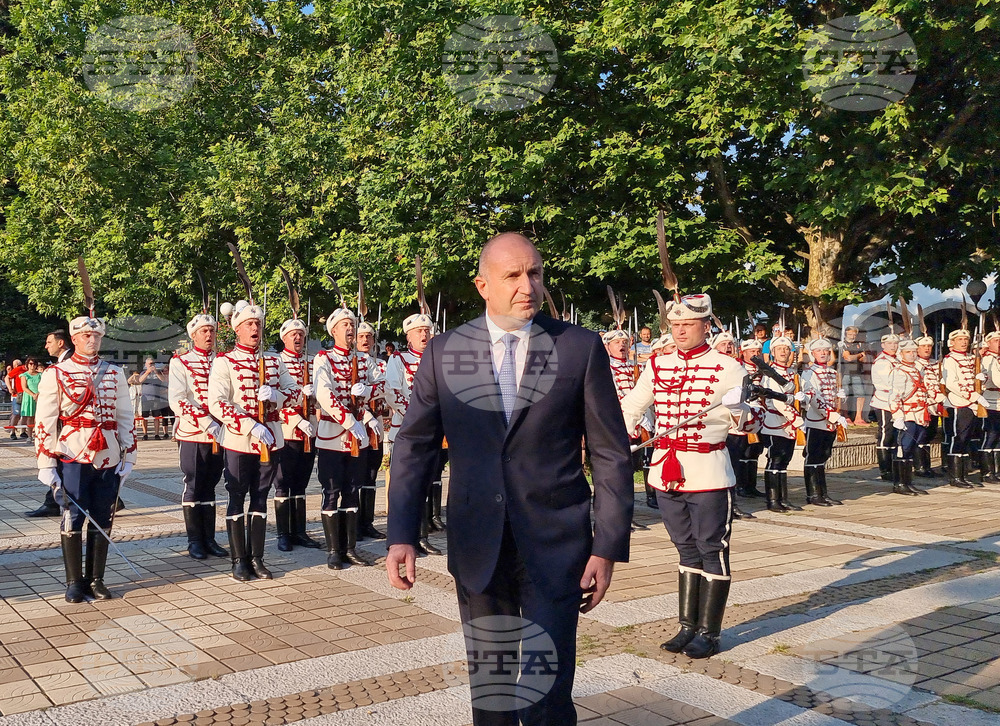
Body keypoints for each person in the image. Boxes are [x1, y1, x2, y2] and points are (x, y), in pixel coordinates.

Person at [386, 234, 633, 726]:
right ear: (483, 285)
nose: (528, 286)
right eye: (513, 276)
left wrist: (606, 546)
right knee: (494, 690)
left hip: (556, 544)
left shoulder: (578, 348)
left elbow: (610, 453)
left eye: (535, 273)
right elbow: (414, 446)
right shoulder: (445, 352)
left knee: (547, 691)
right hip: (479, 543)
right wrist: (401, 535)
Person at [622, 293, 757, 659]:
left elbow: (751, 422)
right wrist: (615, 438)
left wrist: (738, 409)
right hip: (666, 470)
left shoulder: (728, 367)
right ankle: (687, 626)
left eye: (688, 325)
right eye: (675, 325)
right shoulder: (659, 363)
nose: (680, 331)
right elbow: (633, 404)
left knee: (712, 549)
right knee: (685, 549)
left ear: (706, 325)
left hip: (708, 472)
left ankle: (710, 633)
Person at [34, 316, 136, 602]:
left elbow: (125, 417)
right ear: (74, 339)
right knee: (73, 515)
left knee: (104, 516)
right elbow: (45, 420)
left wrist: (130, 455)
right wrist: (45, 462)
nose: (92, 341)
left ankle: (97, 579)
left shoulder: (114, 373)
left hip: (108, 455)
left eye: (97, 336)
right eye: (86, 336)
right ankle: (73, 582)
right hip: (72, 453)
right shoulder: (57, 373)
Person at [208, 300, 299, 581]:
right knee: (237, 496)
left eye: (258, 323)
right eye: (249, 324)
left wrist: (276, 397)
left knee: (260, 496)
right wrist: (249, 425)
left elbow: (294, 391)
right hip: (239, 441)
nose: (254, 328)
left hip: (270, 438)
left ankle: (257, 558)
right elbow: (217, 403)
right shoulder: (225, 362)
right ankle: (238, 560)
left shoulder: (274, 360)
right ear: (237, 329)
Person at [313, 306, 380, 569]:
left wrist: (369, 391)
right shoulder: (324, 358)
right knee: (332, 491)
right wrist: (349, 420)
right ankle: (333, 550)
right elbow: (324, 393)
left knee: (353, 491)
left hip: (358, 437)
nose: (350, 329)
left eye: (352, 324)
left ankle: (350, 548)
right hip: (332, 435)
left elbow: (384, 384)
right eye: (344, 325)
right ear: (333, 331)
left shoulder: (364, 360)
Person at [168, 312, 228, 560]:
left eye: (212, 331)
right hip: (194, 433)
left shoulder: (224, 360)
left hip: (222, 432)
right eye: (204, 331)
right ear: (193, 335)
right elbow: (178, 399)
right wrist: (205, 421)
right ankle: (194, 540)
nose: (209, 335)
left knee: (211, 486)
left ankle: (209, 539)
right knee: (193, 484)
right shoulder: (181, 362)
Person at [385, 312, 438, 553]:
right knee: (408, 485)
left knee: (429, 481)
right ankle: (406, 537)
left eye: (427, 330)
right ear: (408, 336)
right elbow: (393, 392)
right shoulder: (399, 359)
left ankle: (423, 534)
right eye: (419, 331)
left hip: (434, 431)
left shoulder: (437, 358)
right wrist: (419, 414)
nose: (424, 334)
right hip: (406, 428)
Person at [274, 316, 323, 551]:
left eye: (301, 334)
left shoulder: (313, 362)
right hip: (286, 431)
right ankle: (283, 533)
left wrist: (316, 396)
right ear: (284, 338)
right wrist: (296, 420)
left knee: (301, 484)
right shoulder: (275, 362)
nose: (298, 337)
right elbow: (273, 400)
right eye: (293, 334)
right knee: (283, 483)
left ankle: (299, 531)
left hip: (310, 431)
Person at [604, 329, 654, 519]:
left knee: (632, 467)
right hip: (617, 424)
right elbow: (615, 396)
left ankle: (628, 513)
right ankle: (615, 515)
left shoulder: (636, 368)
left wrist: (645, 415)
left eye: (625, 342)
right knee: (617, 471)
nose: (622, 345)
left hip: (638, 425)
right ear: (607, 346)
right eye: (617, 343)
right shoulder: (605, 368)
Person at [799, 339, 848, 505]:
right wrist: (832, 415)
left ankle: (823, 493)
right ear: (813, 354)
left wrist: (841, 398)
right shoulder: (808, 373)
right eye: (819, 351)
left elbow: (832, 396)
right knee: (813, 456)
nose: (823, 353)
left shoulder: (834, 373)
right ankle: (813, 494)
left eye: (826, 351)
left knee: (824, 456)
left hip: (831, 422)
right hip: (816, 421)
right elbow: (814, 398)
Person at [759, 336, 803, 511]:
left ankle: (783, 498)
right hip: (775, 422)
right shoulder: (770, 373)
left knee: (785, 460)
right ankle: (772, 500)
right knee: (775, 460)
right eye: (779, 349)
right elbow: (777, 402)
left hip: (789, 425)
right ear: (773, 353)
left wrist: (804, 398)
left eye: (786, 349)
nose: (783, 352)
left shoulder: (793, 373)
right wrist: (797, 420)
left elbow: (801, 395)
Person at [356, 320, 388, 540]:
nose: (365, 340)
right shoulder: (351, 364)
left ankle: (367, 522)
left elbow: (388, 388)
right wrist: (366, 416)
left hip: (376, 426)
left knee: (371, 474)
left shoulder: (382, 364)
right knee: (356, 475)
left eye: (369, 337)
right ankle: (354, 523)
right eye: (361, 337)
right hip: (358, 425)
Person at [888, 339, 931, 495]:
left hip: (919, 413)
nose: (912, 354)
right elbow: (895, 396)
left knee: (912, 449)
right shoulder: (899, 371)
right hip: (907, 415)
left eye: (914, 351)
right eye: (908, 352)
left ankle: (908, 482)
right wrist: (898, 416)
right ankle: (899, 484)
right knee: (903, 448)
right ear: (901, 354)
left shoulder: (917, 370)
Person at [942, 329, 981, 488]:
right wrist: (972, 396)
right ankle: (955, 477)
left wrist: (982, 378)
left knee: (967, 438)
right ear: (953, 342)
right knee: (958, 437)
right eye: (960, 339)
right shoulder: (950, 360)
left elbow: (976, 378)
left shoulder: (972, 358)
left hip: (972, 403)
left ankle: (963, 474)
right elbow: (951, 383)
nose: (964, 342)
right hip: (959, 402)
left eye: (966, 339)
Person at [870, 333, 900, 481]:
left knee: (895, 435)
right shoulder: (882, 361)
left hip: (896, 401)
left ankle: (894, 466)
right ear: (883, 345)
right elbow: (890, 382)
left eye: (895, 343)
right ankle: (885, 469)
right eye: (889, 343)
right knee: (885, 433)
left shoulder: (897, 360)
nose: (893, 346)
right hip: (884, 401)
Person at [915, 334, 943, 477]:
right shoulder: (914, 364)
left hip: (934, 404)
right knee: (921, 435)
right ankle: (920, 467)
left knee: (930, 434)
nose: (927, 349)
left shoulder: (935, 363)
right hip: (921, 404)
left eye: (929, 346)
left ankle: (927, 466)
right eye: (923, 346)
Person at [979, 331, 1000, 483]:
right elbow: (996, 379)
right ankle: (987, 472)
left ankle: (997, 470)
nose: (999, 343)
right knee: (991, 435)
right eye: (996, 340)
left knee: (998, 437)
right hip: (991, 400)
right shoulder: (988, 359)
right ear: (989, 343)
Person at [839, 326, 868, 424]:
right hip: (845, 372)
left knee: (860, 394)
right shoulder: (842, 344)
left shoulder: (859, 344)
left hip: (857, 372)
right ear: (846, 334)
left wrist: (858, 356)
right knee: (845, 394)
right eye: (850, 334)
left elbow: (864, 359)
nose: (852, 336)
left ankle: (858, 417)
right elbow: (848, 358)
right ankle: (845, 415)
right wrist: (859, 355)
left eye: (854, 334)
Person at [138, 357, 169, 440]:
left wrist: (156, 372)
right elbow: (140, 380)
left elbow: (163, 380)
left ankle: (156, 434)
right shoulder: (143, 372)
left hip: (156, 397)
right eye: (150, 364)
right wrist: (148, 372)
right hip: (146, 398)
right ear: (146, 365)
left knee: (156, 416)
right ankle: (145, 434)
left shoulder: (157, 373)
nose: (152, 365)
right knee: (145, 417)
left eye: (153, 363)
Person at [18, 358, 42, 441]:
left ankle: (39, 434)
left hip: (39, 396)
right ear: (27, 365)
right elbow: (24, 387)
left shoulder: (40, 375)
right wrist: (33, 395)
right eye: (31, 364)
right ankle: (29, 436)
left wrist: (38, 394)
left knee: (39, 416)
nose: (32, 365)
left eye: (34, 364)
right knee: (30, 417)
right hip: (29, 396)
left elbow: (43, 385)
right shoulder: (24, 375)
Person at [6, 358, 26, 439]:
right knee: (16, 413)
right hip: (17, 394)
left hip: (24, 393)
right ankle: (13, 431)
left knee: (25, 414)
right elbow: (8, 378)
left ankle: (22, 431)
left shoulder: (20, 369)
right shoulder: (17, 370)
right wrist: (10, 388)